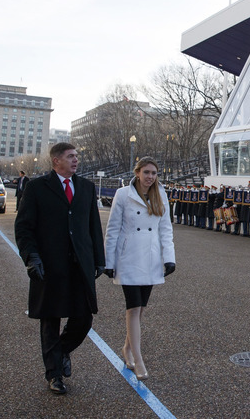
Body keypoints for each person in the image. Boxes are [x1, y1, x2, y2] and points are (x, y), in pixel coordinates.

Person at [14, 143, 105, 395]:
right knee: (50, 320)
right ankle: (54, 374)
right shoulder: (36, 188)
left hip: (79, 266)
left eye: (77, 156)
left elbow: (93, 226)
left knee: (83, 318)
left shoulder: (86, 187)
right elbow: (23, 227)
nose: (76, 160)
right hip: (49, 265)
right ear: (56, 161)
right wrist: (31, 257)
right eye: (71, 156)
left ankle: (61, 350)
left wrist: (99, 259)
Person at [103, 157, 176, 381]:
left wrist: (169, 258)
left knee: (142, 308)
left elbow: (165, 228)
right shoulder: (123, 195)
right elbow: (113, 229)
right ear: (137, 173)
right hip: (129, 257)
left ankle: (127, 348)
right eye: (146, 172)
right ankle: (138, 358)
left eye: (154, 173)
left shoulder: (160, 194)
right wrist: (109, 261)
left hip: (151, 258)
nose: (150, 177)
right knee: (133, 308)